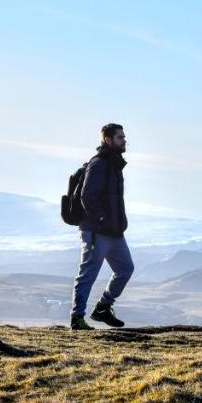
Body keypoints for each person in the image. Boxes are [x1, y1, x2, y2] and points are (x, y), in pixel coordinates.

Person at [70, 123, 133, 330]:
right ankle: (77, 318)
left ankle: (103, 308)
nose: (124, 140)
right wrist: (102, 220)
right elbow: (86, 196)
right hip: (97, 231)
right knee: (88, 274)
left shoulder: (114, 164)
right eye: (120, 137)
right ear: (107, 139)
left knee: (125, 269)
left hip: (114, 232)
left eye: (124, 137)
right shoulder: (99, 163)